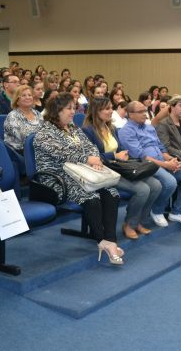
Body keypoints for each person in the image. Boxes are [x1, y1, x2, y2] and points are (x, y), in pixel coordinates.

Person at [34, 93, 123, 264]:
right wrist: (87, 159)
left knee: (111, 192)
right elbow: (61, 153)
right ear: (56, 111)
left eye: (74, 107)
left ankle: (111, 241)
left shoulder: (73, 128)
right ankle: (101, 240)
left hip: (81, 173)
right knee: (91, 196)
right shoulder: (43, 132)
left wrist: (94, 160)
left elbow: (91, 147)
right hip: (57, 178)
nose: (73, 111)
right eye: (69, 108)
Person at [82, 97, 162, 240]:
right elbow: (91, 157)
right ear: (96, 111)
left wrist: (123, 154)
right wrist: (114, 155)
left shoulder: (111, 128)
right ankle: (129, 224)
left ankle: (139, 221)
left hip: (119, 167)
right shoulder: (87, 131)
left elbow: (119, 149)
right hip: (104, 170)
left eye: (111, 108)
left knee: (156, 185)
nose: (111, 111)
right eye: (107, 108)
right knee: (143, 190)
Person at [119, 101, 181, 228]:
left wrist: (171, 160)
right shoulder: (126, 131)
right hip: (145, 165)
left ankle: (177, 212)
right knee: (170, 182)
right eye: (140, 112)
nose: (145, 114)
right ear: (130, 114)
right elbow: (140, 156)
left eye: (145, 111)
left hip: (162, 161)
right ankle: (157, 210)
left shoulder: (149, 128)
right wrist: (166, 165)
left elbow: (161, 148)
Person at [4, 85, 43, 153]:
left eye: (29, 95)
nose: (27, 97)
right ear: (17, 100)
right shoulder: (13, 116)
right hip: (19, 152)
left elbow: (45, 130)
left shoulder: (37, 114)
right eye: (23, 95)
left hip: (38, 149)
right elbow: (23, 137)